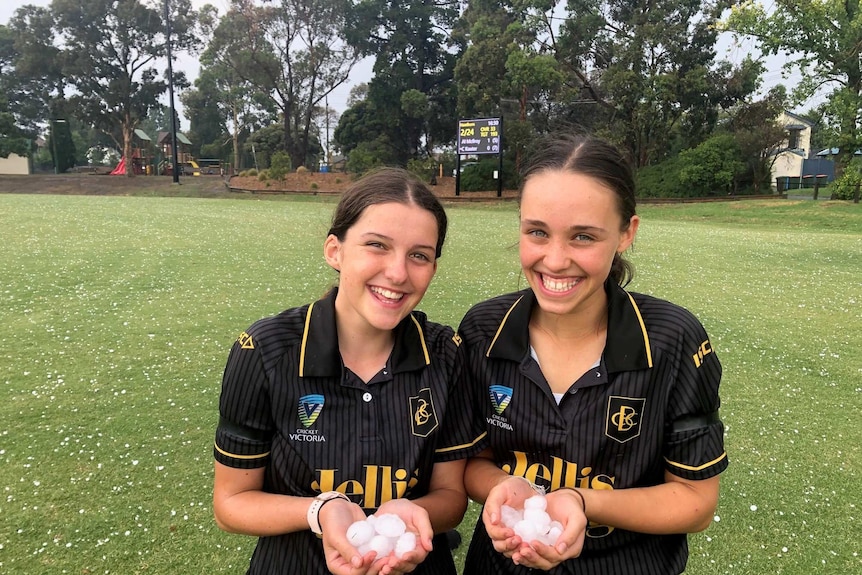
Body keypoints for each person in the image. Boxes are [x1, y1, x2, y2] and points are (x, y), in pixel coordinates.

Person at [458, 134, 728, 574]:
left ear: (626, 233)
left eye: (583, 236)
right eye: (537, 232)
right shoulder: (483, 329)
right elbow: (471, 460)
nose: (556, 259)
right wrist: (504, 487)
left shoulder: (673, 338)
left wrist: (581, 502)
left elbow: (695, 502)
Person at [213, 167, 482, 575]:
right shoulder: (266, 349)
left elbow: (451, 498)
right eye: (377, 245)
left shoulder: (446, 353)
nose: (397, 273)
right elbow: (231, 505)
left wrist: (409, 511)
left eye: (419, 255)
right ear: (334, 251)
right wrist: (321, 511)